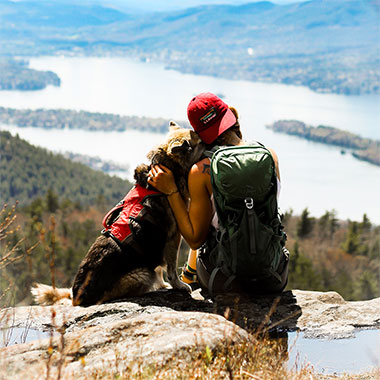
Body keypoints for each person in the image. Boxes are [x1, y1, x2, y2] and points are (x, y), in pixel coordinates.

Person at [148, 92, 286, 292]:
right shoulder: (269, 156)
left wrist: (171, 192)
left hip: (224, 281)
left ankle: (189, 275)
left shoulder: (202, 171)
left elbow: (195, 239)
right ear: (230, 118)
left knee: (207, 228)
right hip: (275, 275)